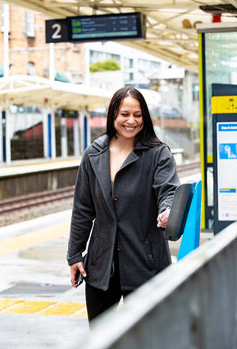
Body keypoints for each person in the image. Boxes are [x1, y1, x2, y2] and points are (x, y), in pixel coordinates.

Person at [67, 86, 180, 323]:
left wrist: (167, 210)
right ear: (113, 116)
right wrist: (75, 254)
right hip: (101, 267)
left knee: (147, 339)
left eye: (137, 115)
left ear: (145, 117)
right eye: (124, 114)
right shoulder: (93, 154)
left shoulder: (158, 154)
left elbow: (167, 191)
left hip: (146, 265)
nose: (131, 121)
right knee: (100, 338)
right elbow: (83, 208)